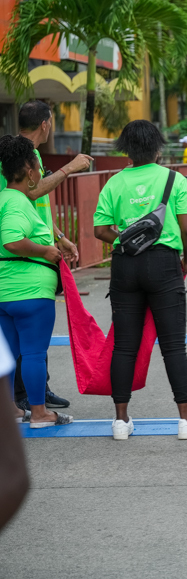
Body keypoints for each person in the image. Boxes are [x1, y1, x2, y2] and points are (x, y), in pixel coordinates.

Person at [92, 120, 187, 441]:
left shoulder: (114, 183)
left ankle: (121, 421)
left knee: (125, 345)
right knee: (173, 345)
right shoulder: (174, 179)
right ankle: (186, 422)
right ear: (159, 148)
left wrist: (126, 235)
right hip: (163, 263)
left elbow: (99, 230)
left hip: (125, 265)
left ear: (126, 150)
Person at [4, 100, 91, 412]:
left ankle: (34, 393)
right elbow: (30, 194)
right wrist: (69, 168)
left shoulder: (20, 154)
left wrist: (60, 236)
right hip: (25, 265)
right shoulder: (20, 156)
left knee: (23, 344)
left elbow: (29, 211)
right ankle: (31, 401)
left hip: (26, 261)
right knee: (30, 344)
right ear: (45, 124)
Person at [0, 135, 73, 428]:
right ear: (30, 171)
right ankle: (40, 413)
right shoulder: (17, 202)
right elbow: (13, 240)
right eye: (39, 168)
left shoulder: (4, 198)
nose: (41, 172)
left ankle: (11, 411)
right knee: (33, 353)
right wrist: (47, 251)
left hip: (6, 290)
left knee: (11, 353)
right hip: (29, 292)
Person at [0, 334, 29, 533]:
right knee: (33, 352)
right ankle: (39, 411)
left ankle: (16, 407)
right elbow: (14, 477)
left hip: (5, 304)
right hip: (34, 302)